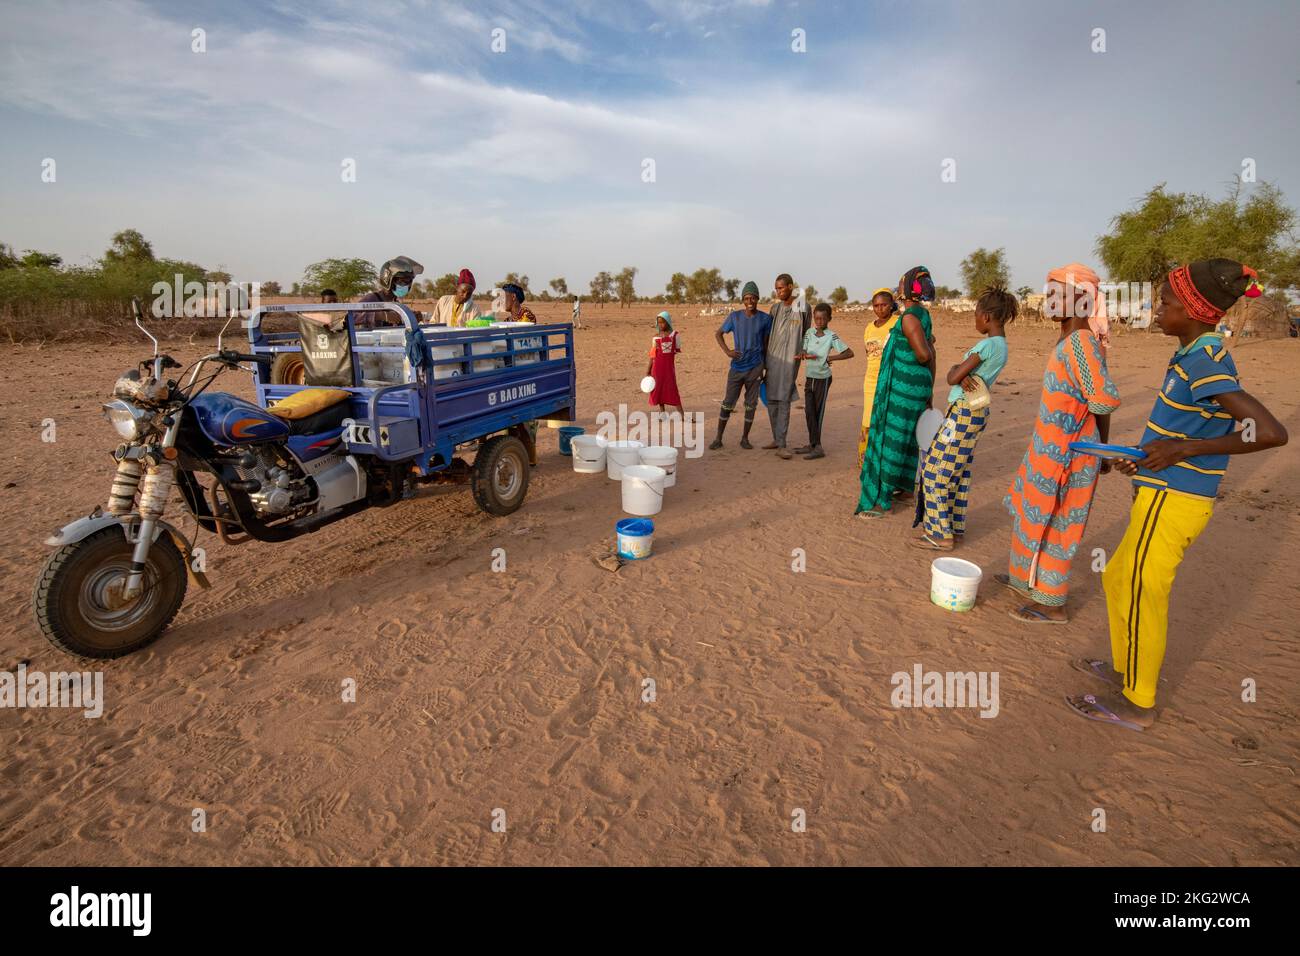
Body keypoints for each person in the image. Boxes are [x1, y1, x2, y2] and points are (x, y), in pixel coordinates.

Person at [1065, 259, 1287, 731]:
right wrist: (1143, 455)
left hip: (1175, 498)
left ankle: (1139, 702)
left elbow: (1269, 432)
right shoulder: (1190, 357)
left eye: (1165, 302)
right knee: (1119, 576)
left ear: (1194, 310)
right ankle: (1127, 669)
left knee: (1144, 591)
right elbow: (1184, 427)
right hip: (1159, 489)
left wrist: (1185, 448)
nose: (1155, 309)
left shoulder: (1204, 363)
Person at [999, 263, 1120, 624]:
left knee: (1061, 521)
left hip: (1071, 452)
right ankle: (1026, 581)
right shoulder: (1069, 339)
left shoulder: (1082, 342)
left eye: (1058, 295)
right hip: (1049, 446)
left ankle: (1052, 602)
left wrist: (1103, 453)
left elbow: (1101, 401)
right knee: (1034, 512)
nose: (1050, 302)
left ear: (1082, 299)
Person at [912, 287, 1016, 550]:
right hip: (977, 412)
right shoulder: (1002, 347)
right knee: (958, 471)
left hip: (962, 412)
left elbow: (951, 378)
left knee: (935, 471)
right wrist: (958, 372)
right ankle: (954, 528)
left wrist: (955, 370)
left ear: (987, 317)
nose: (975, 319)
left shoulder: (987, 345)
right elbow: (959, 374)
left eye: (976, 315)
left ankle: (939, 533)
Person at [855, 266, 937, 518]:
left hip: (902, 389)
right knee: (907, 438)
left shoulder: (910, 318)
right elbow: (931, 350)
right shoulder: (922, 315)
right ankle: (905, 488)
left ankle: (882, 496)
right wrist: (929, 389)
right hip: (915, 387)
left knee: (891, 439)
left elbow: (924, 354)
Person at [710, 281, 772, 450]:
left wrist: (765, 366)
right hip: (737, 367)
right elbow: (718, 334)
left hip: (755, 368)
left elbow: (766, 345)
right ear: (743, 300)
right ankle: (718, 438)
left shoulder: (765, 319)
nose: (750, 300)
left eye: (753, 297)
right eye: (746, 298)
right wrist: (727, 351)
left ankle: (745, 439)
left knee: (751, 404)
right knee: (728, 403)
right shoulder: (734, 317)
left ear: (758, 299)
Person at [794, 303, 853, 460]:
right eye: (817, 318)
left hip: (823, 379)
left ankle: (818, 447)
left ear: (829, 319)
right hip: (810, 377)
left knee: (818, 413)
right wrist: (803, 353)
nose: (819, 322)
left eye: (823, 319)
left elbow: (849, 353)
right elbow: (804, 348)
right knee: (809, 411)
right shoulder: (809, 333)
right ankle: (812, 444)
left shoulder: (831, 336)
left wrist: (830, 357)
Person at [763, 274, 812, 458]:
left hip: (791, 359)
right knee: (771, 399)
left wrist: (803, 350)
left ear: (791, 286)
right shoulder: (774, 308)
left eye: (781, 288)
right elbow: (768, 334)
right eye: (776, 288)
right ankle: (776, 438)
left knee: (783, 398)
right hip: (773, 358)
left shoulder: (802, 306)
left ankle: (782, 443)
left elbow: (806, 331)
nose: (778, 292)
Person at [858, 287, 901, 465]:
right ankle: (866, 460)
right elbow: (868, 353)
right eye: (876, 305)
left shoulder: (899, 322)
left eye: (884, 305)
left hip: (891, 380)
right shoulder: (869, 328)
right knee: (868, 419)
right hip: (870, 380)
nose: (880, 309)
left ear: (891, 305)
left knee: (887, 420)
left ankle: (885, 460)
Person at [355, 255, 423, 330]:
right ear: (388, 279)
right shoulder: (372, 298)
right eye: (402, 281)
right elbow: (348, 319)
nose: (406, 285)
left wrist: (410, 318)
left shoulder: (396, 304)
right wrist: (381, 315)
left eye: (409, 281)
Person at [646, 311, 683, 416]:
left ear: (668, 322)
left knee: (673, 390)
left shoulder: (675, 335)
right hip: (656, 369)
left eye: (663, 322)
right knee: (659, 390)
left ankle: (682, 416)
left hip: (668, 369)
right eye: (659, 322)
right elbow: (652, 355)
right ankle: (663, 414)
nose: (661, 325)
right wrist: (648, 370)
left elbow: (675, 351)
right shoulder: (655, 337)